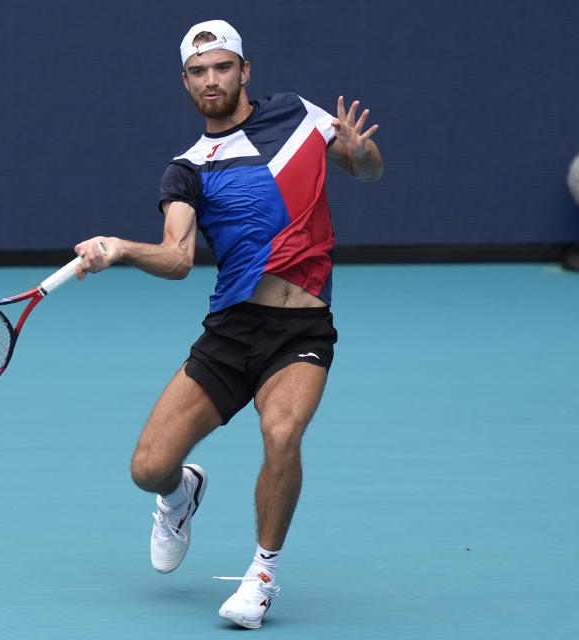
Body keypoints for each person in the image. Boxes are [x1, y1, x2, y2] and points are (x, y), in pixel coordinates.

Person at [74, 19, 383, 629]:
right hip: (231, 332)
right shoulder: (187, 168)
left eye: (222, 67)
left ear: (245, 71)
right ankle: (179, 491)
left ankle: (262, 575)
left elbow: (366, 170)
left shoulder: (297, 115)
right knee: (146, 469)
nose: (211, 80)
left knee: (283, 435)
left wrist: (360, 152)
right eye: (198, 72)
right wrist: (124, 250)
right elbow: (178, 258)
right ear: (185, 82)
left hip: (301, 330)